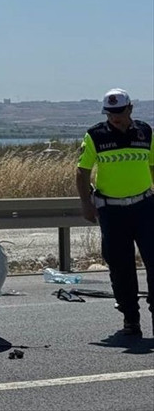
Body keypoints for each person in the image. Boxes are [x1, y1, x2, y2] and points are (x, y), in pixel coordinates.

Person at [76, 88, 154, 336]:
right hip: (112, 211)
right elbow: (82, 171)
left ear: (130, 109)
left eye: (119, 112)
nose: (115, 118)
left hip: (145, 208)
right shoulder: (95, 136)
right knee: (120, 267)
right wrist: (86, 204)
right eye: (110, 114)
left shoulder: (146, 132)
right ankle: (131, 319)